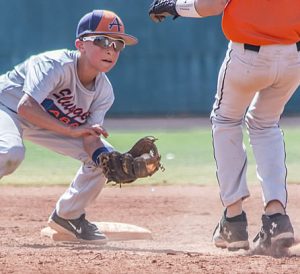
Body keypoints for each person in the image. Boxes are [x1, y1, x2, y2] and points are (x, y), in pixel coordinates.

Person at [149, 0, 300, 253]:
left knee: (226, 120)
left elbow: (213, 4)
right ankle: (277, 218)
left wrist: (175, 7)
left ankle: (233, 220)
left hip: (248, 56)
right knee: (265, 124)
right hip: (293, 56)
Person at [0, 9, 138, 243]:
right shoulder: (54, 64)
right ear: (80, 44)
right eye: (102, 40)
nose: (110, 49)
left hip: (45, 121)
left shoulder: (104, 92)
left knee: (103, 159)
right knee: (11, 153)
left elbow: (90, 137)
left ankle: (68, 216)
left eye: (118, 44)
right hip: (7, 107)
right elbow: (26, 108)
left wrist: (112, 162)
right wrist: (71, 131)